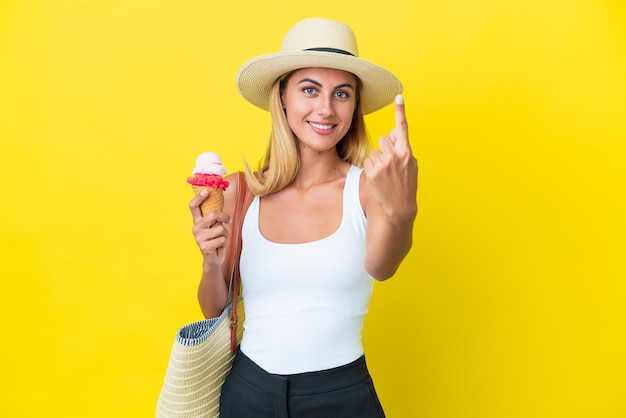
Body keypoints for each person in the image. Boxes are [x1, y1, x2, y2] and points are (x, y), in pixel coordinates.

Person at [189, 17, 417, 417]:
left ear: (355, 105)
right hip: (248, 392)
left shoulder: (369, 189)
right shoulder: (240, 192)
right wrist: (211, 261)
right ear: (282, 97)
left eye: (342, 94)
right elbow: (214, 310)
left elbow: (383, 267)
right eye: (309, 89)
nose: (325, 109)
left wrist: (402, 211)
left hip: (341, 396)